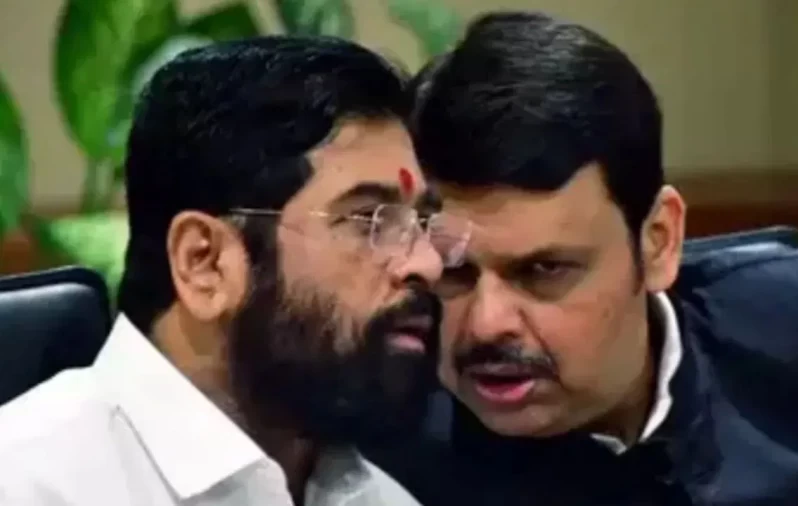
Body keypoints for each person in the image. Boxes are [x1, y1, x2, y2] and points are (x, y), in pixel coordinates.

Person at [364, 11, 798, 505]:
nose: (486, 325)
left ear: (659, 240)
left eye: (543, 271)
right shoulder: (373, 450)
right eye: (454, 269)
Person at [0, 35, 471, 506]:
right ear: (204, 263)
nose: (428, 264)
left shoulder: (378, 497)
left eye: (422, 223)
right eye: (370, 220)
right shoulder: (26, 484)